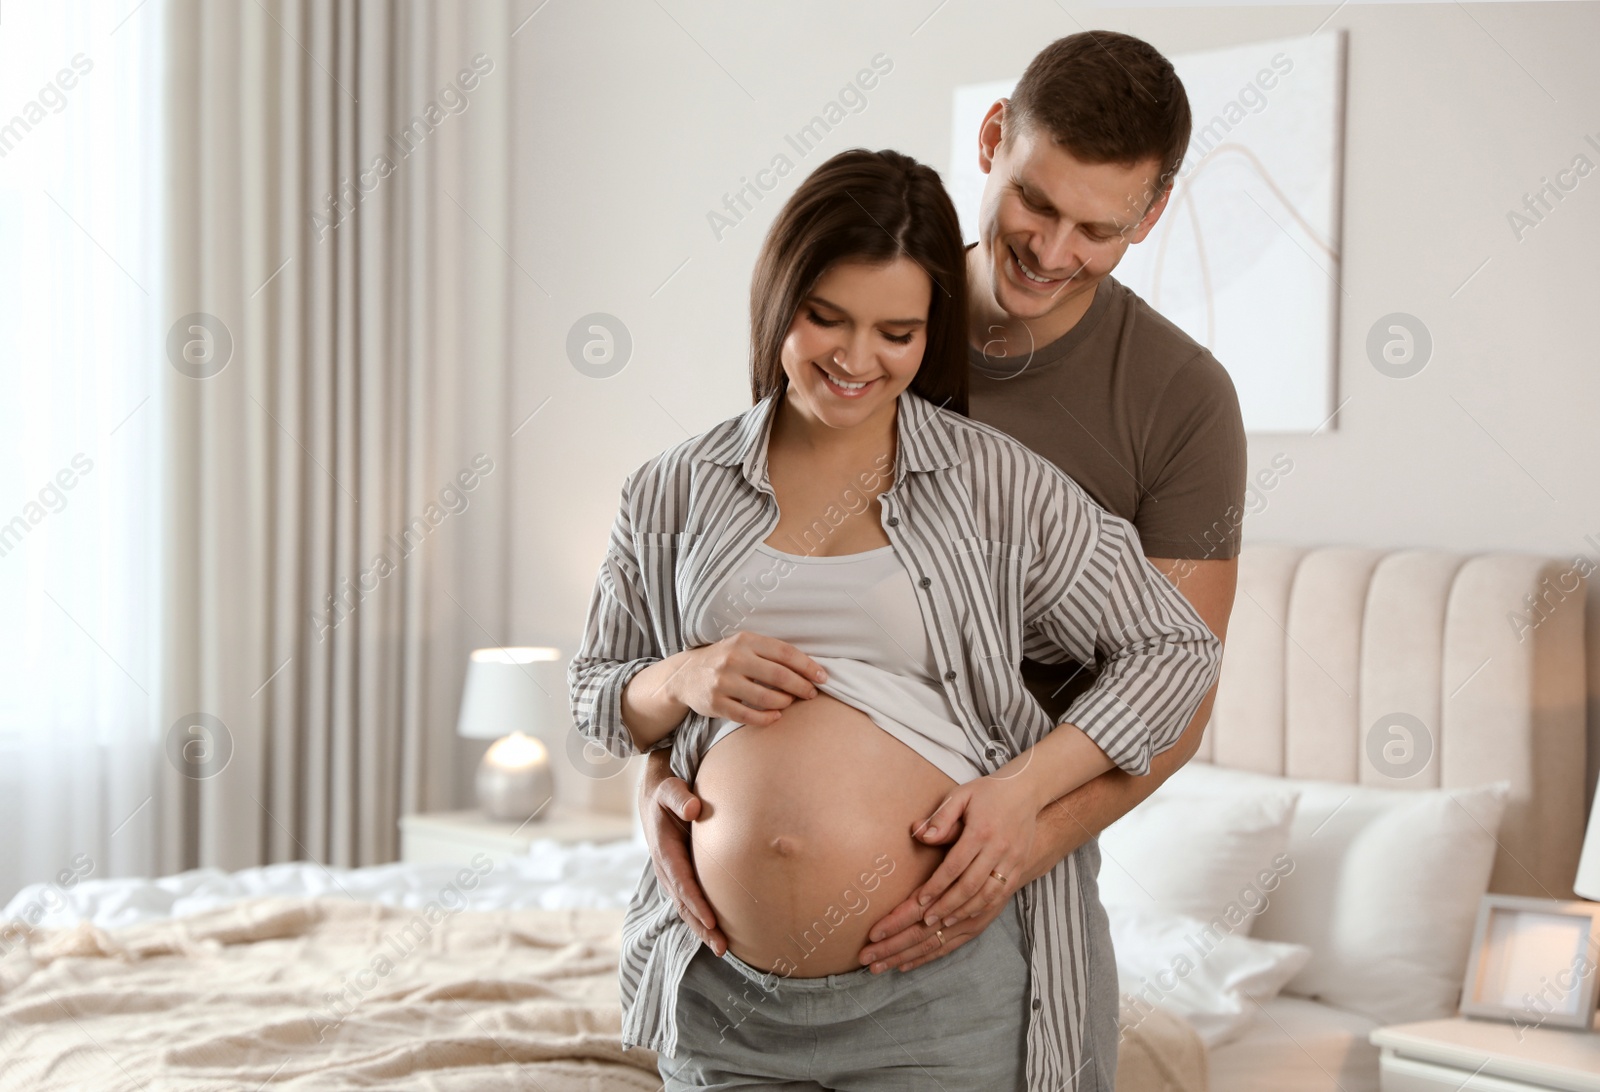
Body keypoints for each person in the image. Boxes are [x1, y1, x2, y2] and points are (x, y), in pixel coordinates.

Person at [637, 29, 1247, 1091]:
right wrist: (659, 769)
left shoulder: (1176, 399)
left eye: (1098, 228)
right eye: (1035, 204)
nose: (1053, 250)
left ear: (1150, 219)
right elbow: (705, 607)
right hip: (731, 986)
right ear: (992, 138)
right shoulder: (863, 325)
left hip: (977, 931)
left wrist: (1020, 829)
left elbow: (1175, 689)